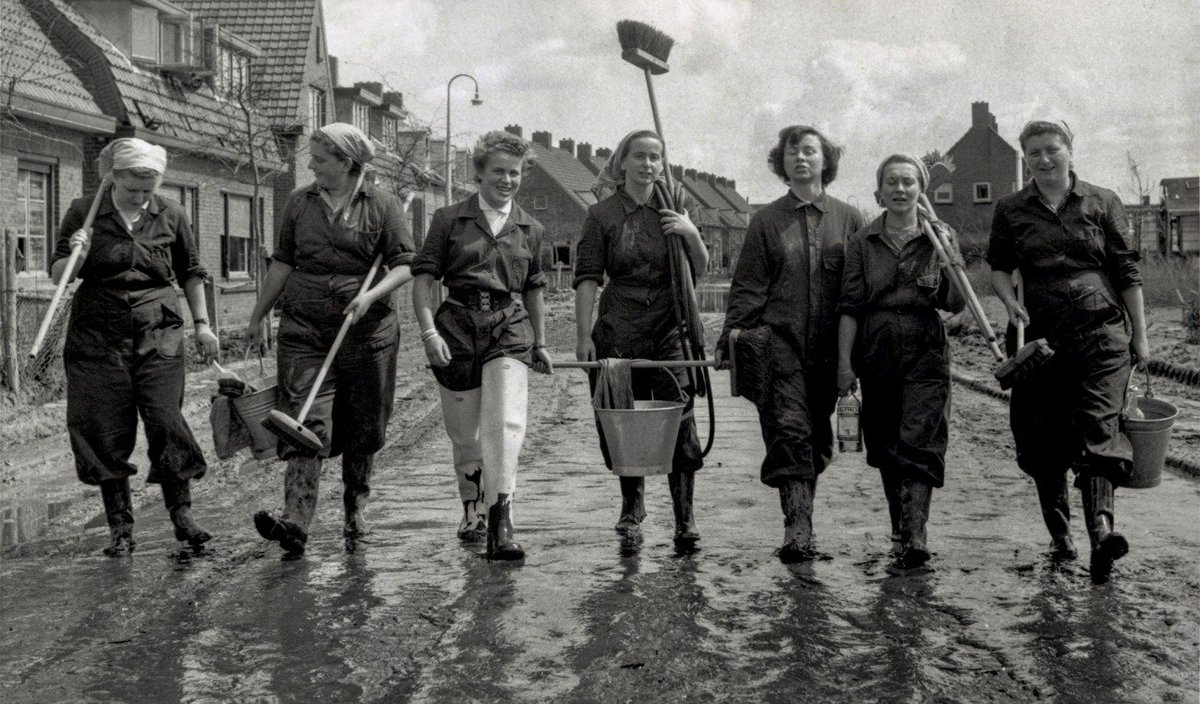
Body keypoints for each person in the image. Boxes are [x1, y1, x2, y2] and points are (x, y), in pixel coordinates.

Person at [987, 121, 1148, 583]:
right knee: (1043, 441)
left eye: (1052, 149)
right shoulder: (1011, 209)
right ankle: (1061, 537)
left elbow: (1127, 271)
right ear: (1025, 158)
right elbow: (998, 267)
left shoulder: (1102, 201)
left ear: (1070, 151)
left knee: (1100, 426)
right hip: (1040, 344)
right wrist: (1008, 298)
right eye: (1033, 152)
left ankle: (1101, 534)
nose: (1044, 159)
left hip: (1102, 336)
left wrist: (1140, 334)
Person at [248, 123, 415, 557]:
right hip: (305, 329)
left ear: (346, 162)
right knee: (303, 420)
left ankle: (355, 508)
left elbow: (405, 264)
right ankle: (296, 522)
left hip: (367, 333)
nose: (310, 165)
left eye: (320, 160)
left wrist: (371, 295)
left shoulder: (382, 204)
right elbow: (283, 262)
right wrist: (258, 313)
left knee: (364, 423)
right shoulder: (299, 203)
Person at [50, 137, 219, 556]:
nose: (143, 198)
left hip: (158, 329)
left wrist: (202, 326)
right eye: (134, 190)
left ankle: (181, 515)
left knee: (165, 419)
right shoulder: (82, 212)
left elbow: (192, 272)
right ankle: (120, 528)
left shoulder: (172, 213)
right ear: (113, 178)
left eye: (149, 190)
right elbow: (58, 276)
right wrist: (77, 253)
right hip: (97, 335)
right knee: (103, 427)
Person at [716, 125, 864, 563]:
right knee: (789, 430)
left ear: (826, 161)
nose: (800, 159)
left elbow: (860, 291)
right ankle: (797, 529)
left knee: (816, 436)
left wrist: (857, 356)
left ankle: (805, 515)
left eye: (810, 152)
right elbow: (747, 287)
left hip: (832, 347)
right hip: (778, 345)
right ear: (781, 163)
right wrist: (730, 337)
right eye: (791, 152)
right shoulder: (765, 222)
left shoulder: (849, 219)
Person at [411, 130, 552, 561]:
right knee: (466, 434)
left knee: (506, 423)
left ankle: (501, 519)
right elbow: (423, 281)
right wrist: (428, 333)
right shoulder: (449, 220)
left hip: (508, 327)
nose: (506, 180)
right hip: (455, 327)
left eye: (514, 173)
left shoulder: (531, 228)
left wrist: (541, 343)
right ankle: (472, 509)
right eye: (498, 172)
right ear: (479, 173)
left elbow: (534, 290)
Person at [573, 129, 709, 549]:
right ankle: (633, 508)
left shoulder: (676, 205)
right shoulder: (602, 216)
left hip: (672, 329)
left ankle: (684, 519)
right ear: (623, 162)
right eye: (640, 157)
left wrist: (690, 232)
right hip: (619, 329)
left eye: (656, 157)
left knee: (680, 420)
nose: (648, 165)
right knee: (623, 419)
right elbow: (587, 279)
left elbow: (699, 269)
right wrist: (582, 336)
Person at [836, 154, 965, 568]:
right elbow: (851, 306)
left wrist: (948, 257)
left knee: (921, 439)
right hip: (876, 347)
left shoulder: (939, 235)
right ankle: (899, 527)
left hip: (926, 346)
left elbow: (956, 302)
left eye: (908, 182)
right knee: (886, 442)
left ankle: (915, 535)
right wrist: (844, 364)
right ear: (879, 192)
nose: (900, 189)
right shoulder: (862, 242)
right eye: (891, 182)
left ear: (919, 190)